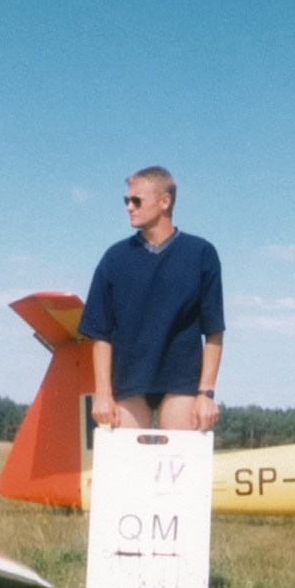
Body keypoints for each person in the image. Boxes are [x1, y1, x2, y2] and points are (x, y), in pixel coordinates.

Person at [78, 166, 224, 430]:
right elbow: (100, 334)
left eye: (136, 200)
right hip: (129, 380)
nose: (129, 207)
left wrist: (206, 394)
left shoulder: (201, 253)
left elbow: (214, 331)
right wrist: (102, 394)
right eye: (126, 200)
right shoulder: (114, 258)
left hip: (181, 381)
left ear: (164, 201)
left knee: (182, 467)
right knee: (126, 469)